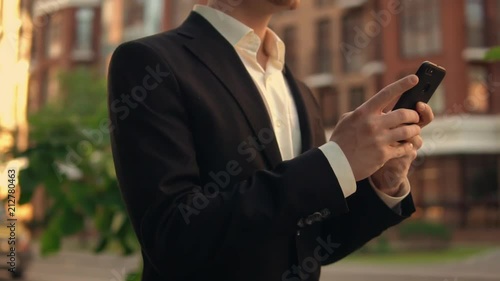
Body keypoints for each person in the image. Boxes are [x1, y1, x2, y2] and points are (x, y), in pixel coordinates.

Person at [107, 0, 434, 280]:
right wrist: (335, 162)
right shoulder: (149, 63)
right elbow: (173, 238)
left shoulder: (298, 90)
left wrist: (381, 184)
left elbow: (313, 244)